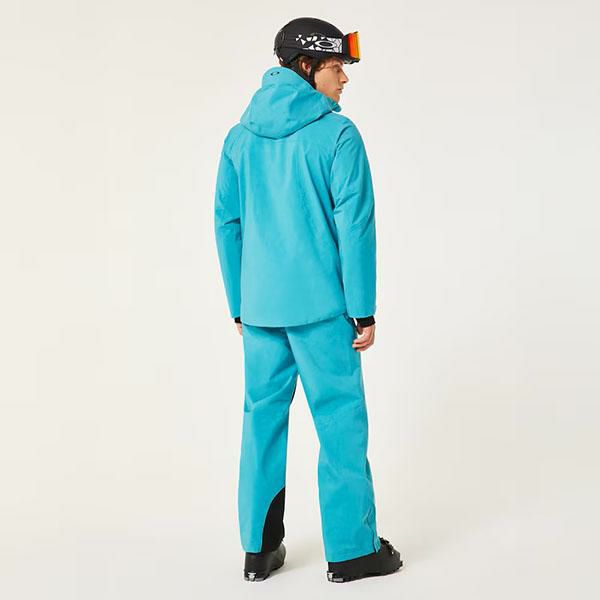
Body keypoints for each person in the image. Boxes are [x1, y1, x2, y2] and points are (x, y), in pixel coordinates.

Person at [214, 16, 402, 583]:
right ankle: (352, 553)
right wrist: (363, 309)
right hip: (323, 312)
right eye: (336, 66)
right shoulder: (338, 136)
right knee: (340, 422)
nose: (344, 79)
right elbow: (356, 227)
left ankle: (258, 551)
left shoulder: (239, 138)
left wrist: (240, 304)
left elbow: (227, 224)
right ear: (306, 66)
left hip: (261, 313)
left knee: (261, 423)